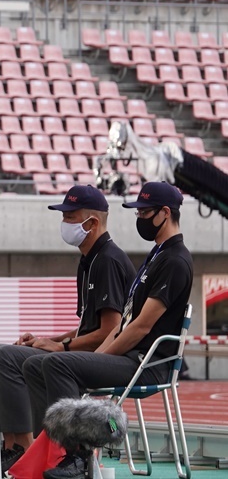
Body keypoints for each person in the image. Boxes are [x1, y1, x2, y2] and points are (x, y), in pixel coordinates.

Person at [25, 181, 193, 479]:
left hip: (148, 364)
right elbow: (127, 321)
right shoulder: (155, 257)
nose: (139, 219)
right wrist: (92, 358)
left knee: (58, 363)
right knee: (45, 363)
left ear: (165, 213)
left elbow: (141, 327)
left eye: (144, 213)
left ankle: (75, 458)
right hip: (130, 358)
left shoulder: (175, 261)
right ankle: (49, 450)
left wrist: (94, 357)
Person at [0, 185, 134, 474]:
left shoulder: (109, 261)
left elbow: (110, 332)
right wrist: (45, 339)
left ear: (93, 222)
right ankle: (8, 442)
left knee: (8, 358)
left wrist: (60, 348)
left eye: (70, 216)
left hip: (105, 357)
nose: (65, 223)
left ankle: (28, 447)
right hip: (81, 352)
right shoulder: (88, 260)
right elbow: (86, 328)